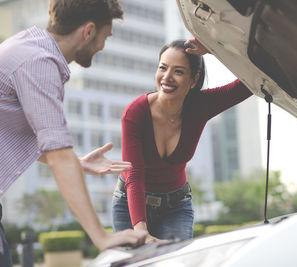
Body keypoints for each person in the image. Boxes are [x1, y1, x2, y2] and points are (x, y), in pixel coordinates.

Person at [0, 1, 146, 266]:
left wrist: (77, 163)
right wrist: (102, 237)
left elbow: (33, 140)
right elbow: (58, 156)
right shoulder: (38, 62)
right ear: (89, 31)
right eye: (106, 36)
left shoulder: (27, 47)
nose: (103, 45)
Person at [112, 38, 253, 242]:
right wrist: (140, 229)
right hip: (130, 206)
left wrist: (215, 50)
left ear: (193, 80)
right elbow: (134, 174)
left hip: (175, 207)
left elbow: (247, 84)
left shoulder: (201, 105)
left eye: (178, 71)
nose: (166, 77)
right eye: (163, 68)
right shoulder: (135, 113)